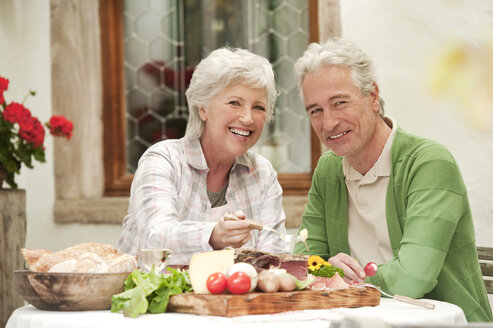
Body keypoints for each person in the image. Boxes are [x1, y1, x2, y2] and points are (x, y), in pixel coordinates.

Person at [292, 37, 492, 322]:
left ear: (373, 97)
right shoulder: (328, 170)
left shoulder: (429, 163)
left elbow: (412, 278)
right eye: (316, 110)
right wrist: (325, 270)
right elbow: (303, 262)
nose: (328, 123)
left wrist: (334, 277)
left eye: (340, 103)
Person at [118, 48, 288, 265]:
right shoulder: (163, 160)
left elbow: (273, 259)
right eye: (234, 102)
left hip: (229, 299)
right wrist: (213, 235)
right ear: (202, 109)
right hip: (152, 297)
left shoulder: (262, 173)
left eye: (258, 107)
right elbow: (155, 237)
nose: (247, 118)